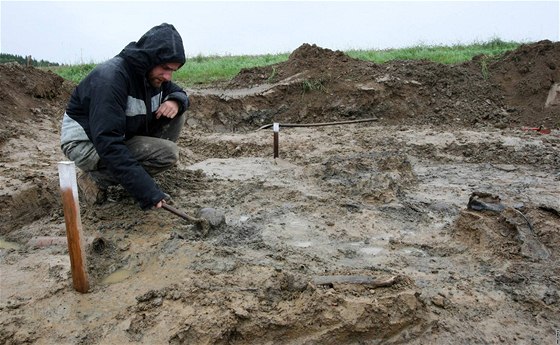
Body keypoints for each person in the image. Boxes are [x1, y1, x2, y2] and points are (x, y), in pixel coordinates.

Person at [60, 23, 189, 210]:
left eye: (173, 71)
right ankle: (94, 180)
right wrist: (147, 192)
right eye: (165, 68)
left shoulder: (153, 76)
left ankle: (135, 176)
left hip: (119, 134)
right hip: (86, 143)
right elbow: (108, 143)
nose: (168, 77)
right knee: (167, 154)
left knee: (176, 112)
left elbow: (178, 92)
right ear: (150, 58)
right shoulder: (111, 79)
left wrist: (176, 101)